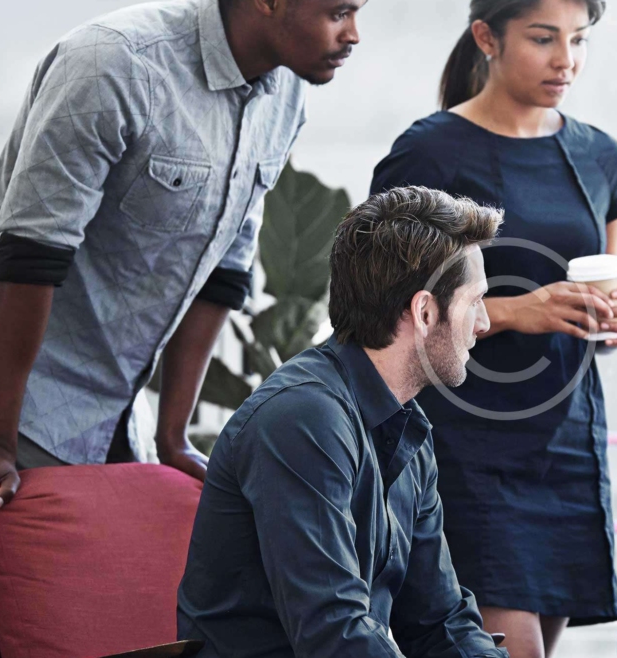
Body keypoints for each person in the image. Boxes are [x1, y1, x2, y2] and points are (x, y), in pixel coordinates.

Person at [0, 0, 366, 538]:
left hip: (114, 392)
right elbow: (34, 250)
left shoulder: (285, 92)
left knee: (107, 599)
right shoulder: (115, 63)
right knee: (31, 611)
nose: (354, 35)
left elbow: (225, 268)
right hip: (3, 382)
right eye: (339, 11)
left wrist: (173, 438)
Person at [369, 1, 617, 655]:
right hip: (466, 440)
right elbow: (384, 306)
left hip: (567, 434)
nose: (566, 60)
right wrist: (521, 309)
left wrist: (616, 318)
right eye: (543, 39)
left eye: (579, 40)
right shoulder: (428, 152)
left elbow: (609, 278)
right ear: (486, 37)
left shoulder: (602, 157)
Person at [177, 186, 507, 658]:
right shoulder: (303, 419)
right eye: (475, 301)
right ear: (424, 311)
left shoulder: (406, 427)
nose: (485, 323)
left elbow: (440, 621)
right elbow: (333, 632)